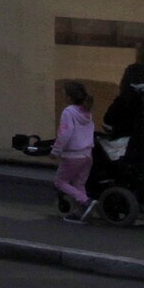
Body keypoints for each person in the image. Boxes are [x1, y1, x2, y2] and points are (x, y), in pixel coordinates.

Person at [52, 81, 95, 220]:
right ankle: (82, 211)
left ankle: (86, 202)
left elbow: (65, 133)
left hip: (73, 155)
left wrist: (56, 151)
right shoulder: (86, 111)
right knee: (79, 184)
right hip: (87, 155)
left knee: (60, 182)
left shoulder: (68, 112)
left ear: (69, 97)